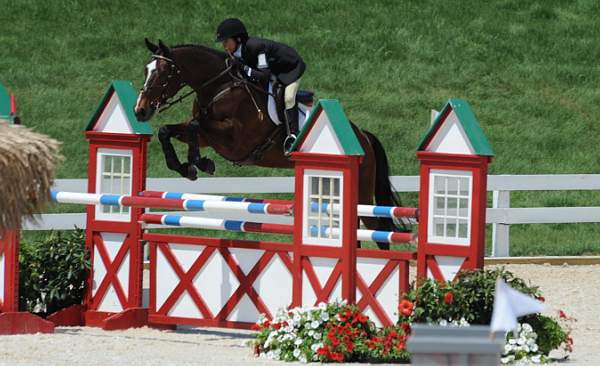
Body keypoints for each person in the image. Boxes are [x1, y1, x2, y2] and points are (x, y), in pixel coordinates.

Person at [215, 18, 306, 153]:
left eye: (226, 41)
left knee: (288, 97)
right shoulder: (235, 52)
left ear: (238, 39)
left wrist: (243, 67)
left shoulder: (257, 48)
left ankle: (293, 136)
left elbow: (263, 77)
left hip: (290, 68)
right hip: (274, 69)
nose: (224, 46)